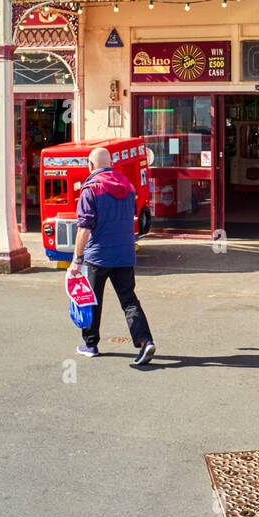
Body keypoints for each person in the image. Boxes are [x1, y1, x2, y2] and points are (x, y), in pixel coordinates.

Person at [69, 146, 157, 365]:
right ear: (111, 164)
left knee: (92, 300)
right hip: (125, 254)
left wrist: (76, 259)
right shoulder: (128, 187)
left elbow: (84, 228)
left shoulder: (90, 189)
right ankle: (145, 341)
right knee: (129, 300)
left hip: (97, 256)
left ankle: (90, 344)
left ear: (90, 165)